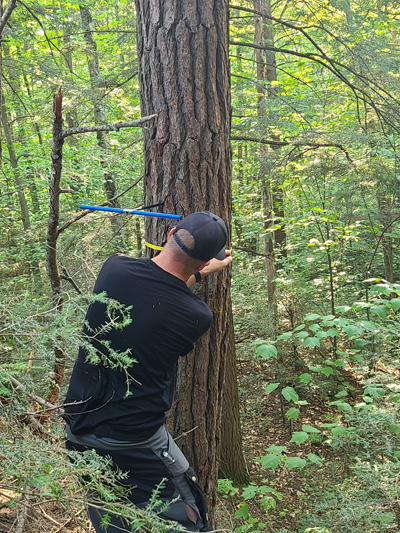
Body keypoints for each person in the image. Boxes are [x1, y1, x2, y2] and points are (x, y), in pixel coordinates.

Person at [63, 211, 232, 532]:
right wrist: (203, 272)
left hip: (77, 430)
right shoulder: (198, 316)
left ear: (169, 234)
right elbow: (169, 299)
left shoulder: (114, 267)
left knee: (111, 514)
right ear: (202, 263)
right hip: (134, 441)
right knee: (192, 516)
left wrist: (195, 270)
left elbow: (153, 288)